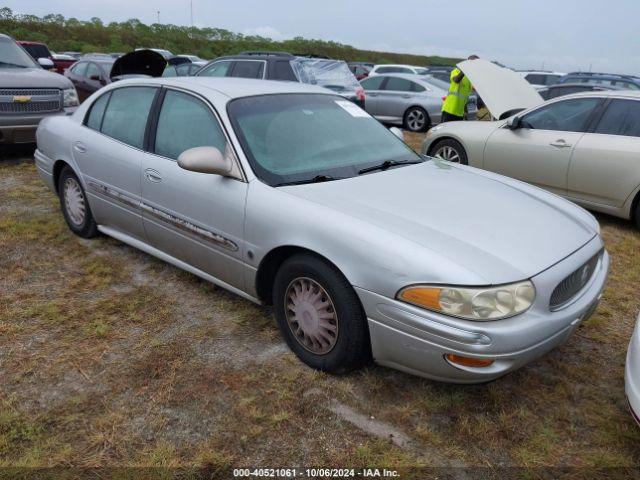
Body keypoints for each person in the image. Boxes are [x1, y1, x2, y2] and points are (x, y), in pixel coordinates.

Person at [441, 55, 479, 122]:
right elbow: (456, 80)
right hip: (449, 110)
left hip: (460, 114)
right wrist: (465, 69)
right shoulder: (456, 71)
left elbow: (465, 98)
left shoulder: (469, 79)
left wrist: (466, 112)